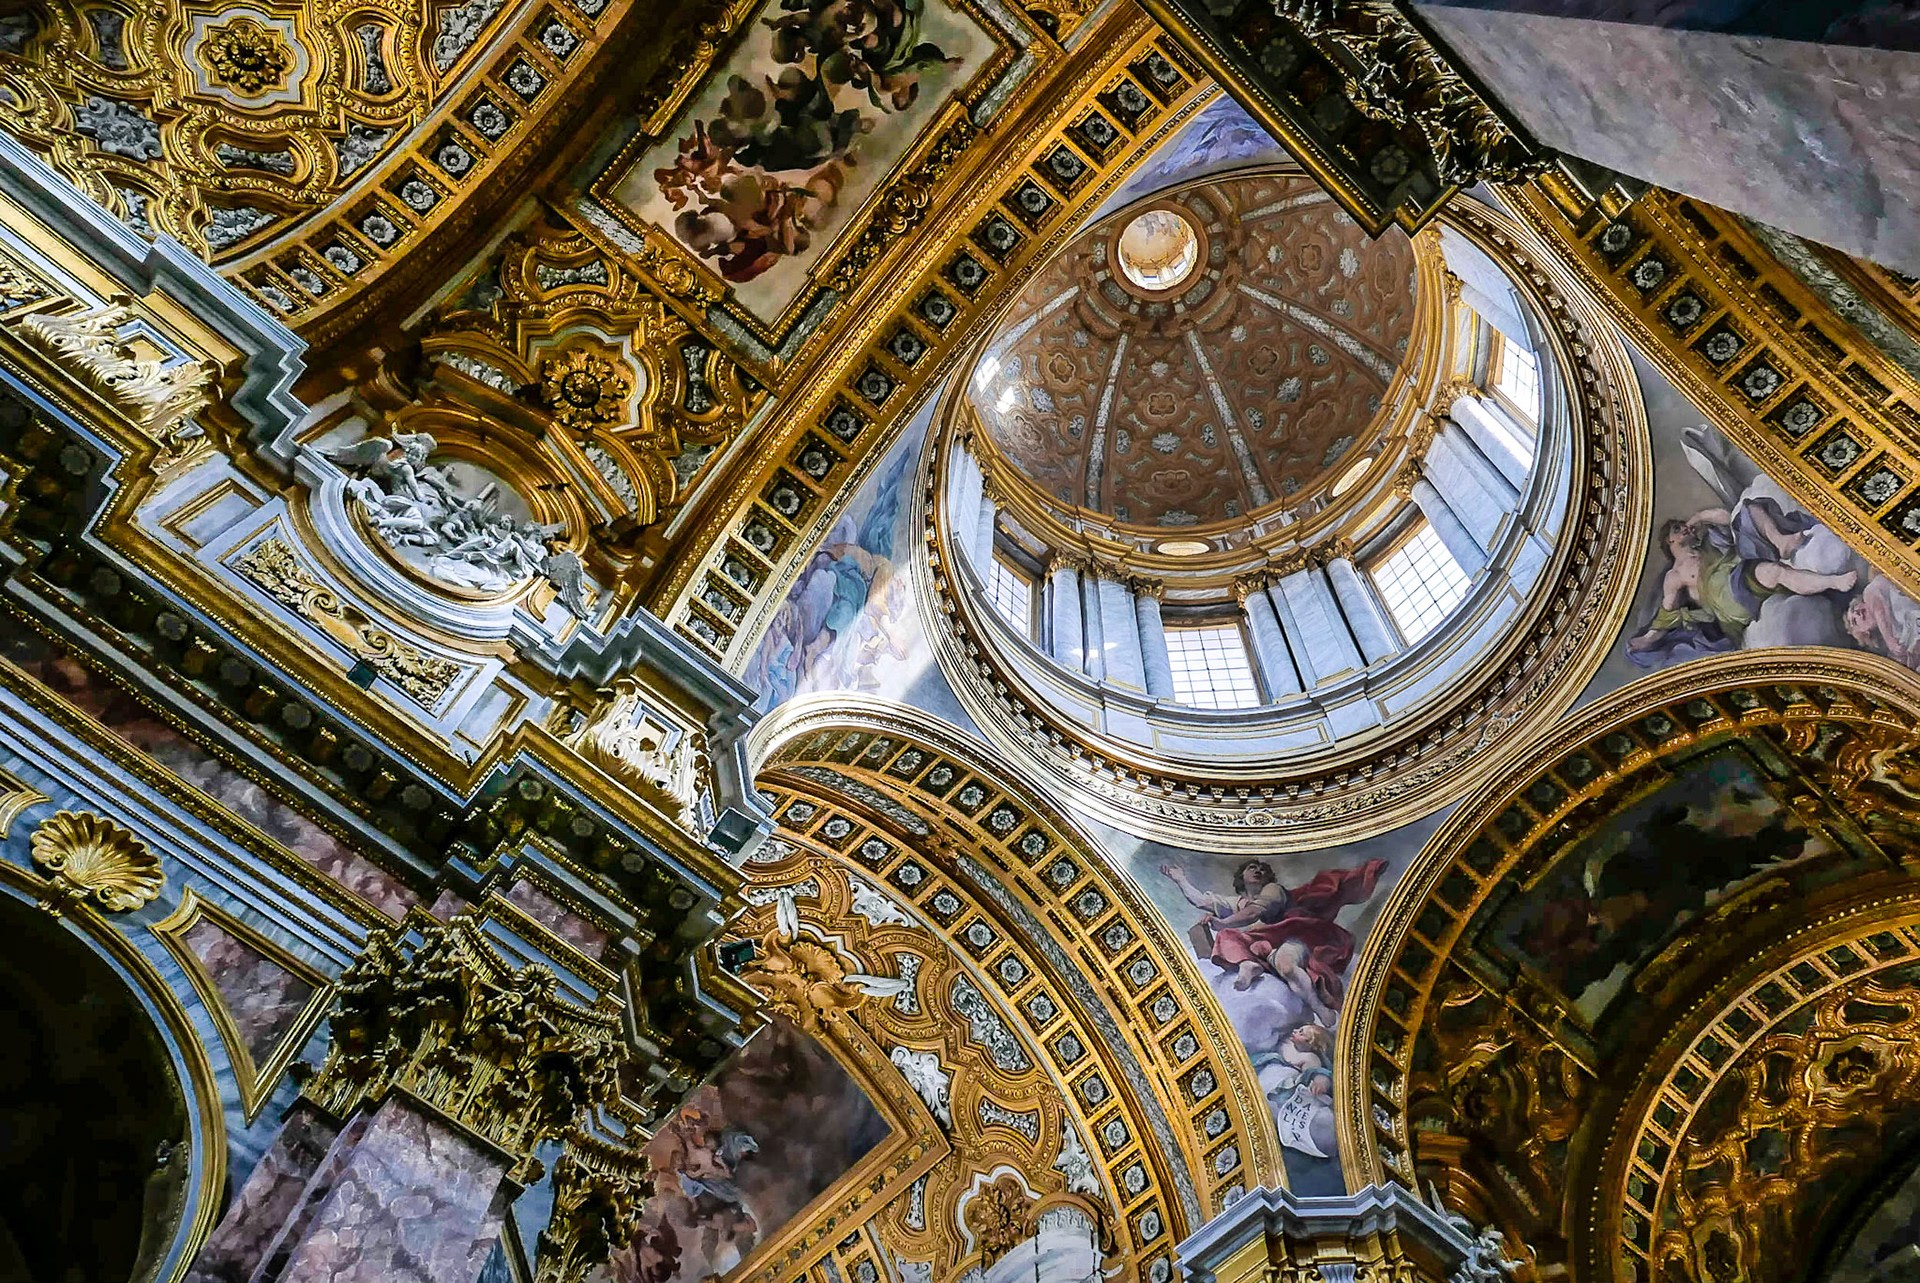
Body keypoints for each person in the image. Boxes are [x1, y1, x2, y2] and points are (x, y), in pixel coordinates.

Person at [1627, 502, 1857, 665]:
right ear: (1671, 541)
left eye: (1682, 525)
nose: (1684, 528)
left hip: (1739, 566)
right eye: (1678, 529)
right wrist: (1646, 639)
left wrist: (1698, 518)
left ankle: (1781, 541)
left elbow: (1727, 516)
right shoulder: (1675, 575)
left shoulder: (1707, 543)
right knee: (1775, 571)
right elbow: (1666, 616)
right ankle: (1833, 582)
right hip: (1728, 595)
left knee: (1748, 509)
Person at [1159, 857, 1387, 1001]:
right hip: (1267, 941)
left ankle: (1317, 1006)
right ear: (1242, 877)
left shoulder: (1273, 890)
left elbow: (1254, 913)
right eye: (1252, 867)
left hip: (1296, 931)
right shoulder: (1239, 902)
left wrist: (1222, 923)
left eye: (1262, 868)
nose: (1258, 870)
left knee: (1283, 960)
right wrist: (1180, 880)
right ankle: (1249, 965)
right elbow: (1201, 900)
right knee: (1229, 937)